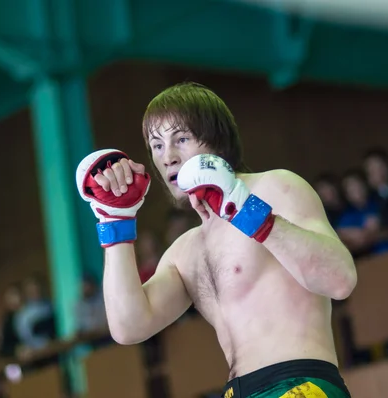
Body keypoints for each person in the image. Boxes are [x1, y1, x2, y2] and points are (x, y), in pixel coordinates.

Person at [76, 82, 356, 397]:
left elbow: (340, 280)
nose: (168, 156)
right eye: (157, 145)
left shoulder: (274, 187)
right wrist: (116, 223)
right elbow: (129, 327)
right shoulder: (185, 250)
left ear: (217, 142)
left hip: (299, 383)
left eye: (181, 139)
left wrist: (249, 214)